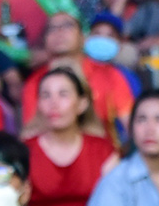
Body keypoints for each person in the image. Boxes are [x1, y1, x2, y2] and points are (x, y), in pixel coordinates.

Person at [24, 67, 114, 206]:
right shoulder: (24, 151)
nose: (54, 103)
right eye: (46, 95)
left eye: (63, 94)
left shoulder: (103, 151)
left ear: (82, 104)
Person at [19, 14, 135, 142]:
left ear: (83, 37)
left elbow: (130, 125)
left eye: (67, 25)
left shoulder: (109, 75)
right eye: (52, 28)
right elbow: (31, 134)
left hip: (103, 153)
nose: (59, 32)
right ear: (45, 41)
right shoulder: (34, 83)